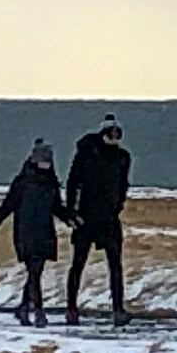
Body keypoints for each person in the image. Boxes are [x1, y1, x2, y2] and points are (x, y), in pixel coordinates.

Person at [0, 141, 61, 324]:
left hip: (45, 231)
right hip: (25, 232)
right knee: (34, 271)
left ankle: (24, 307)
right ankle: (39, 312)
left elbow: (56, 207)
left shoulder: (51, 182)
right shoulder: (23, 182)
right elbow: (9, 204)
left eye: (48, 161)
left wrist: (72, 218)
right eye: (43, 161)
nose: (46, 165)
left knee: (36, 272)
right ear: (34, 160)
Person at [64, 117, 133, 324]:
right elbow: (73, 183)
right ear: (103, 134)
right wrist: (71, 213)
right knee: (78, 263)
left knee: (115, 265)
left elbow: (122, 185)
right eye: (111, 134)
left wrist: (118, 205)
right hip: (85, 217)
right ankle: (71, 308)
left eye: (117, 135)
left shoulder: (122, 157)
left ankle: (118, 309)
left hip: (109, 218)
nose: (114, 138)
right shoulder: (86, 154)